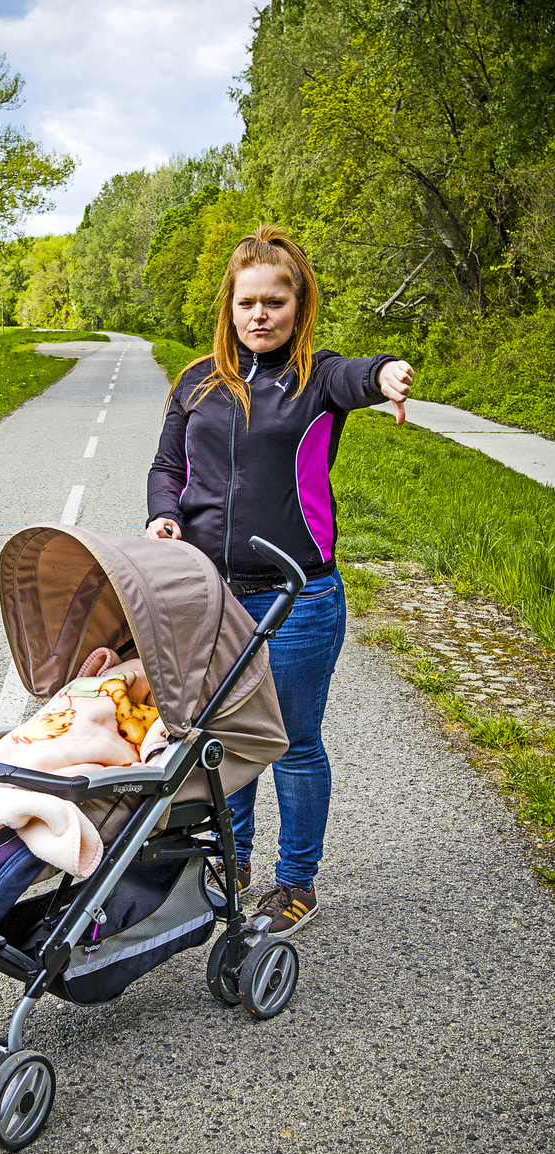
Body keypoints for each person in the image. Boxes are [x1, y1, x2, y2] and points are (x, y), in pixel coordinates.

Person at [145, 224, 413, 937]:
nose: (259, 315)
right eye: (247, 302)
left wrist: (386, 372)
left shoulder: (318, 378)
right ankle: (230, 865)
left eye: (275, 302)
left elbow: (361, 374)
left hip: (298, 595)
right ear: (228, 308)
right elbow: (167, 469)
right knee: (223, 739)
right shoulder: (197, 381)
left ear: (298, 306)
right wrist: (163, 517)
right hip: (212, 594)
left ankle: (296, 883)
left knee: (293, 742)